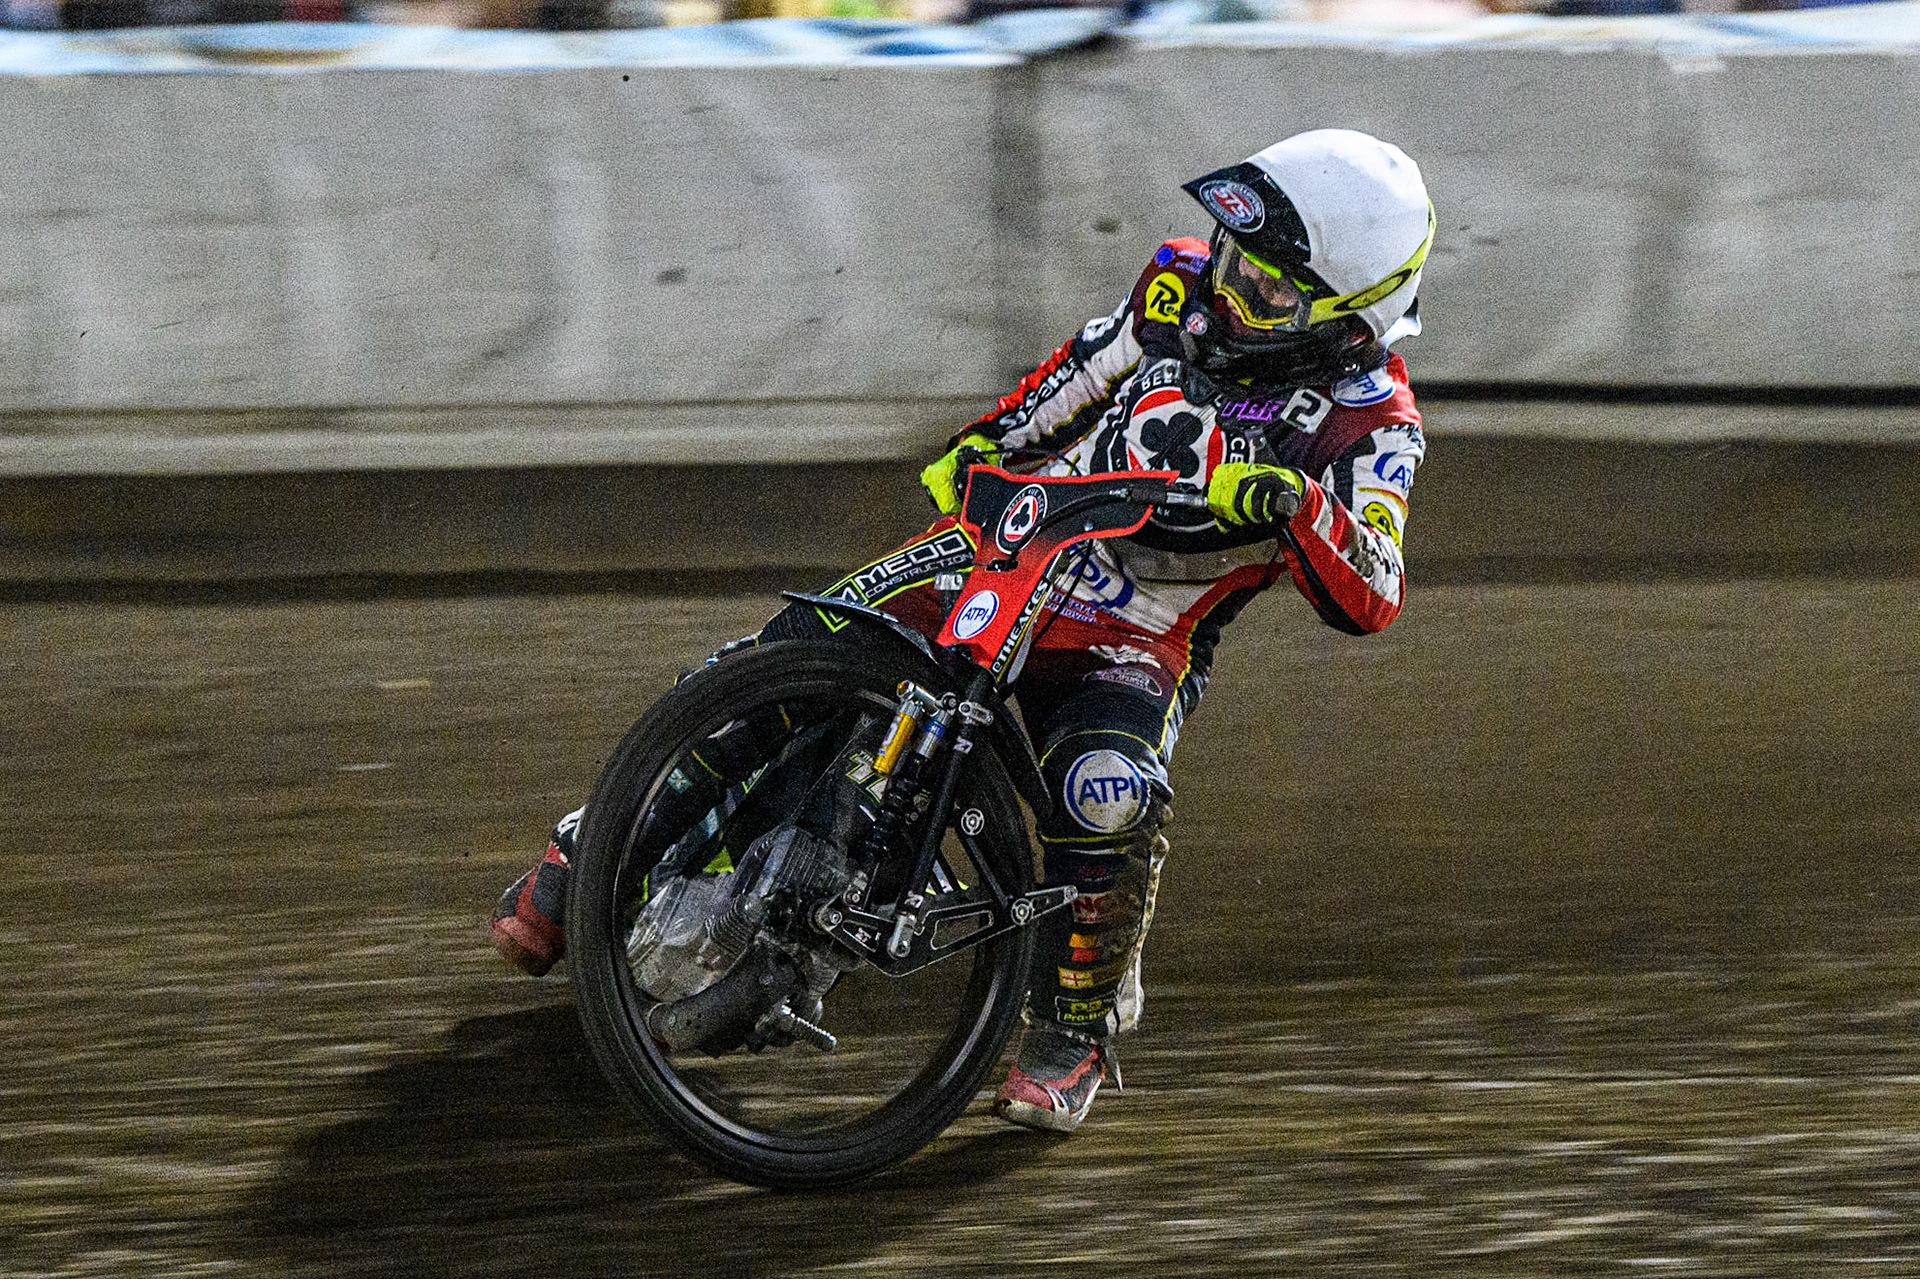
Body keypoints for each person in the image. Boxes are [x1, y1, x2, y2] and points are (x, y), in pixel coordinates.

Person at [492, 127, 1433, 1133]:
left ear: (1351, 315)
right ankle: (595, 849)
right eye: (1236, 255)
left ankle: (1074, 1030)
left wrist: (1296, 502)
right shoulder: (1179, 286)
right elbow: (1080, 373)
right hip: (1023, 544)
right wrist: (985, 445)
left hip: (1143, 628)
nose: (1233, 287)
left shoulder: (1374, 424)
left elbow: (1375, 587)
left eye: (1271, 286)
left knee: (1105, 793)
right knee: (793, 655)